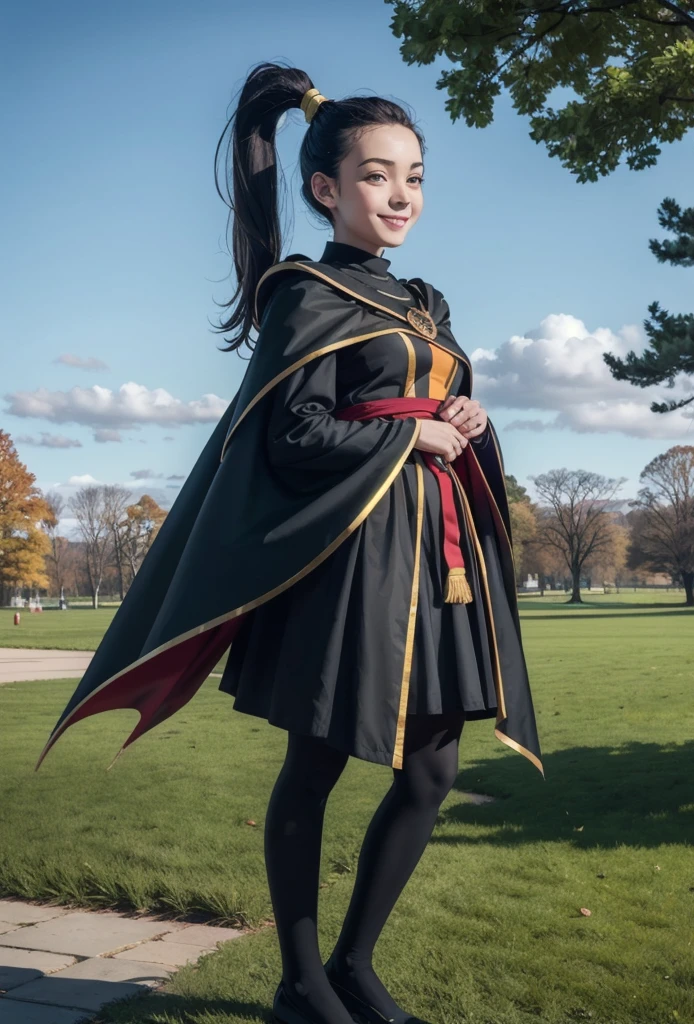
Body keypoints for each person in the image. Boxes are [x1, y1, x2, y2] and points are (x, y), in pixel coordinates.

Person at [35, 61, 543, 1024]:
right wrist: (411, 431)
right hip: (347, 565)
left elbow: (430, 399)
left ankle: (352, 966)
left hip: (436, 563)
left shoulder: (426, 300)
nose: (402, 195)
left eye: (417, 176)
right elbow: (293, 435)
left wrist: (466, 415)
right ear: (325, 188)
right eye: (378, 176)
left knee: (432, 772)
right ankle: (300, 984)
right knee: (315, 768)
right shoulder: (302, 293)